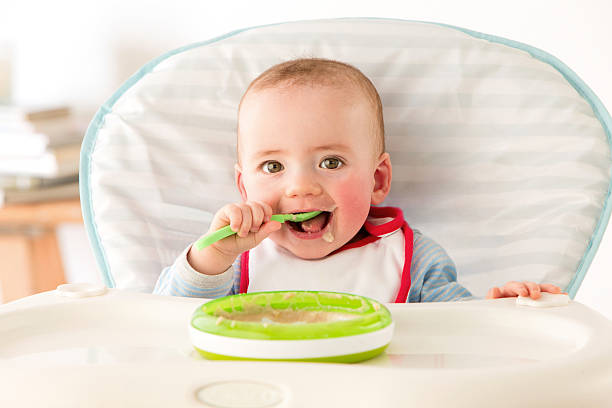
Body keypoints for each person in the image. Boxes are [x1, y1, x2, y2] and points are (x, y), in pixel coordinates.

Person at [154, 58, 562, 303]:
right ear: (244, 189)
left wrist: (502, 313)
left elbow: (459, 338)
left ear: (377, 179)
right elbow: (165, 327)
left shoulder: (412, 259)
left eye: (330, 162)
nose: (301, 188)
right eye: (274, 167)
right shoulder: (234, 261)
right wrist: (209, 260)